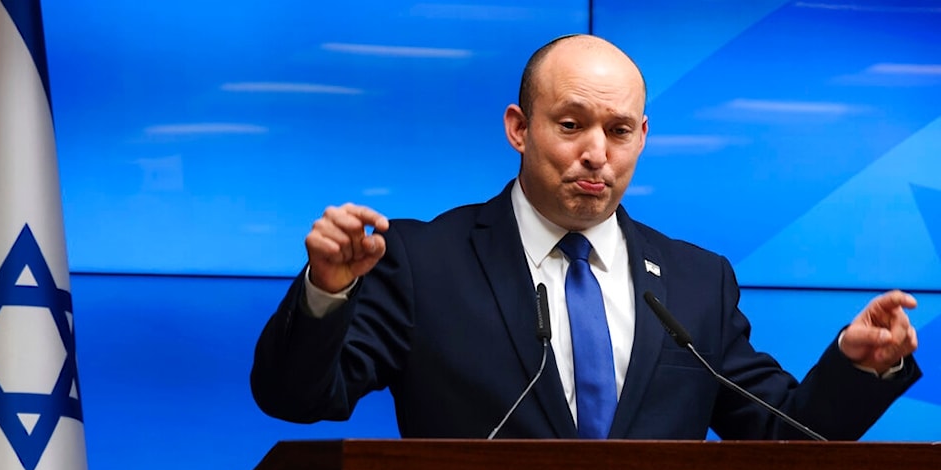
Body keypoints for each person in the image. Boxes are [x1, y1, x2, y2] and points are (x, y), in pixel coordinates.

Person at [251, 34, 920, 440]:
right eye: (570, 125)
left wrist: (859, 364)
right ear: (519, 127)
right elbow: (297, 398)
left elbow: (785, 435)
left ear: (643, 138)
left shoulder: (695, 282)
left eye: (618, 130)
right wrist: (326, 294)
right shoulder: (426, 262)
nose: (596, 153)